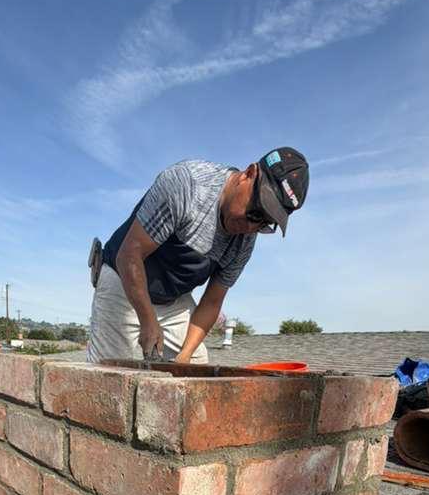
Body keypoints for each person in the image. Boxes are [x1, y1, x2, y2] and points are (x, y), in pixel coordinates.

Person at [86, 148, 309, 364]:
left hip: (172, 299)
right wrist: (147, 319)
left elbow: (212, 301)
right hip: (123, 279)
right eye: (255, 212)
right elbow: (129, 254)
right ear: (248, 174)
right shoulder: (187, 185)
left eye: (265, 223)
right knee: (109, 369)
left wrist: (184, 357)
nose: (252, 226)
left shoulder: (245, 241)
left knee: (195, 365)